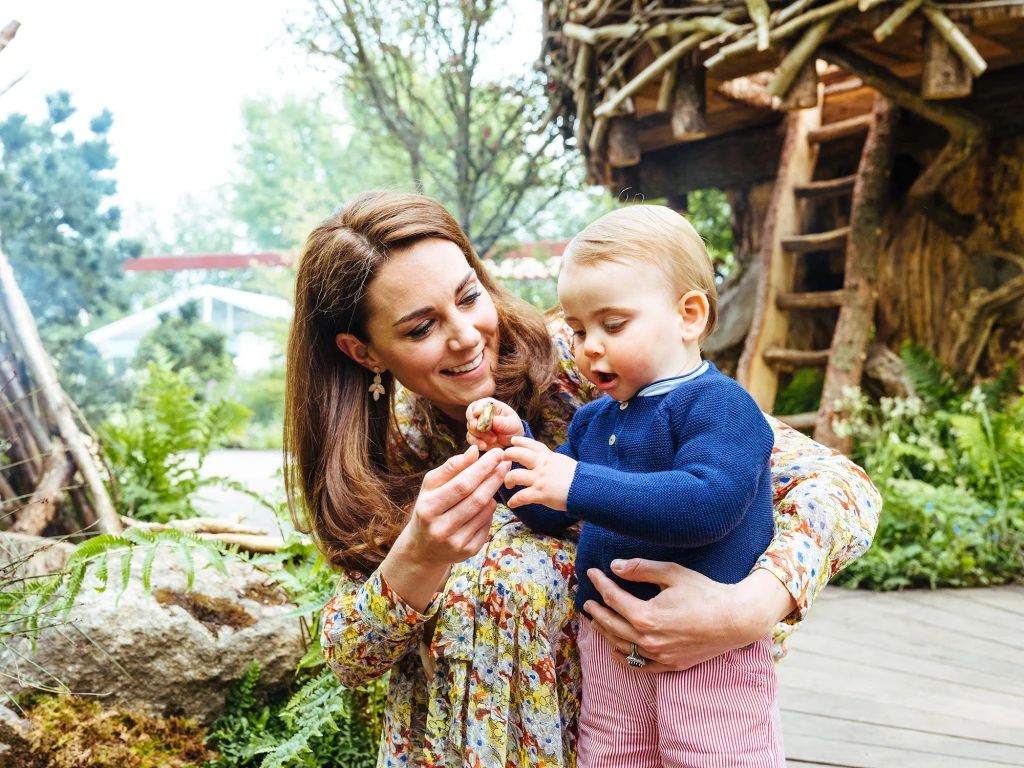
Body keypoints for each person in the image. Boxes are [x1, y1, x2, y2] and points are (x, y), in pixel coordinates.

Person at [285, 191, 881, 768]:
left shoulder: (597, 363)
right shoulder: (380, 455)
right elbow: (350, 655)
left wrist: (751, 608)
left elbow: (840, 486)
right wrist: (418, 557)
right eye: (421, 328)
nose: (466, 336)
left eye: (469, 297)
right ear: (364, 353)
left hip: (655, 712)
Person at [466, 206, 782, 766]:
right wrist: (513, 456)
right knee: (612, 755)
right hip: (608, 648)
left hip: (706, 654)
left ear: (688, 316)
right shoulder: (594, 420)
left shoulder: (720, 406)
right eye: (579, 329)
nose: (590, 346)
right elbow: (549, 510)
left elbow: (710, 503)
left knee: (713, 756)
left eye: (613, 325)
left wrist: (577, 483)